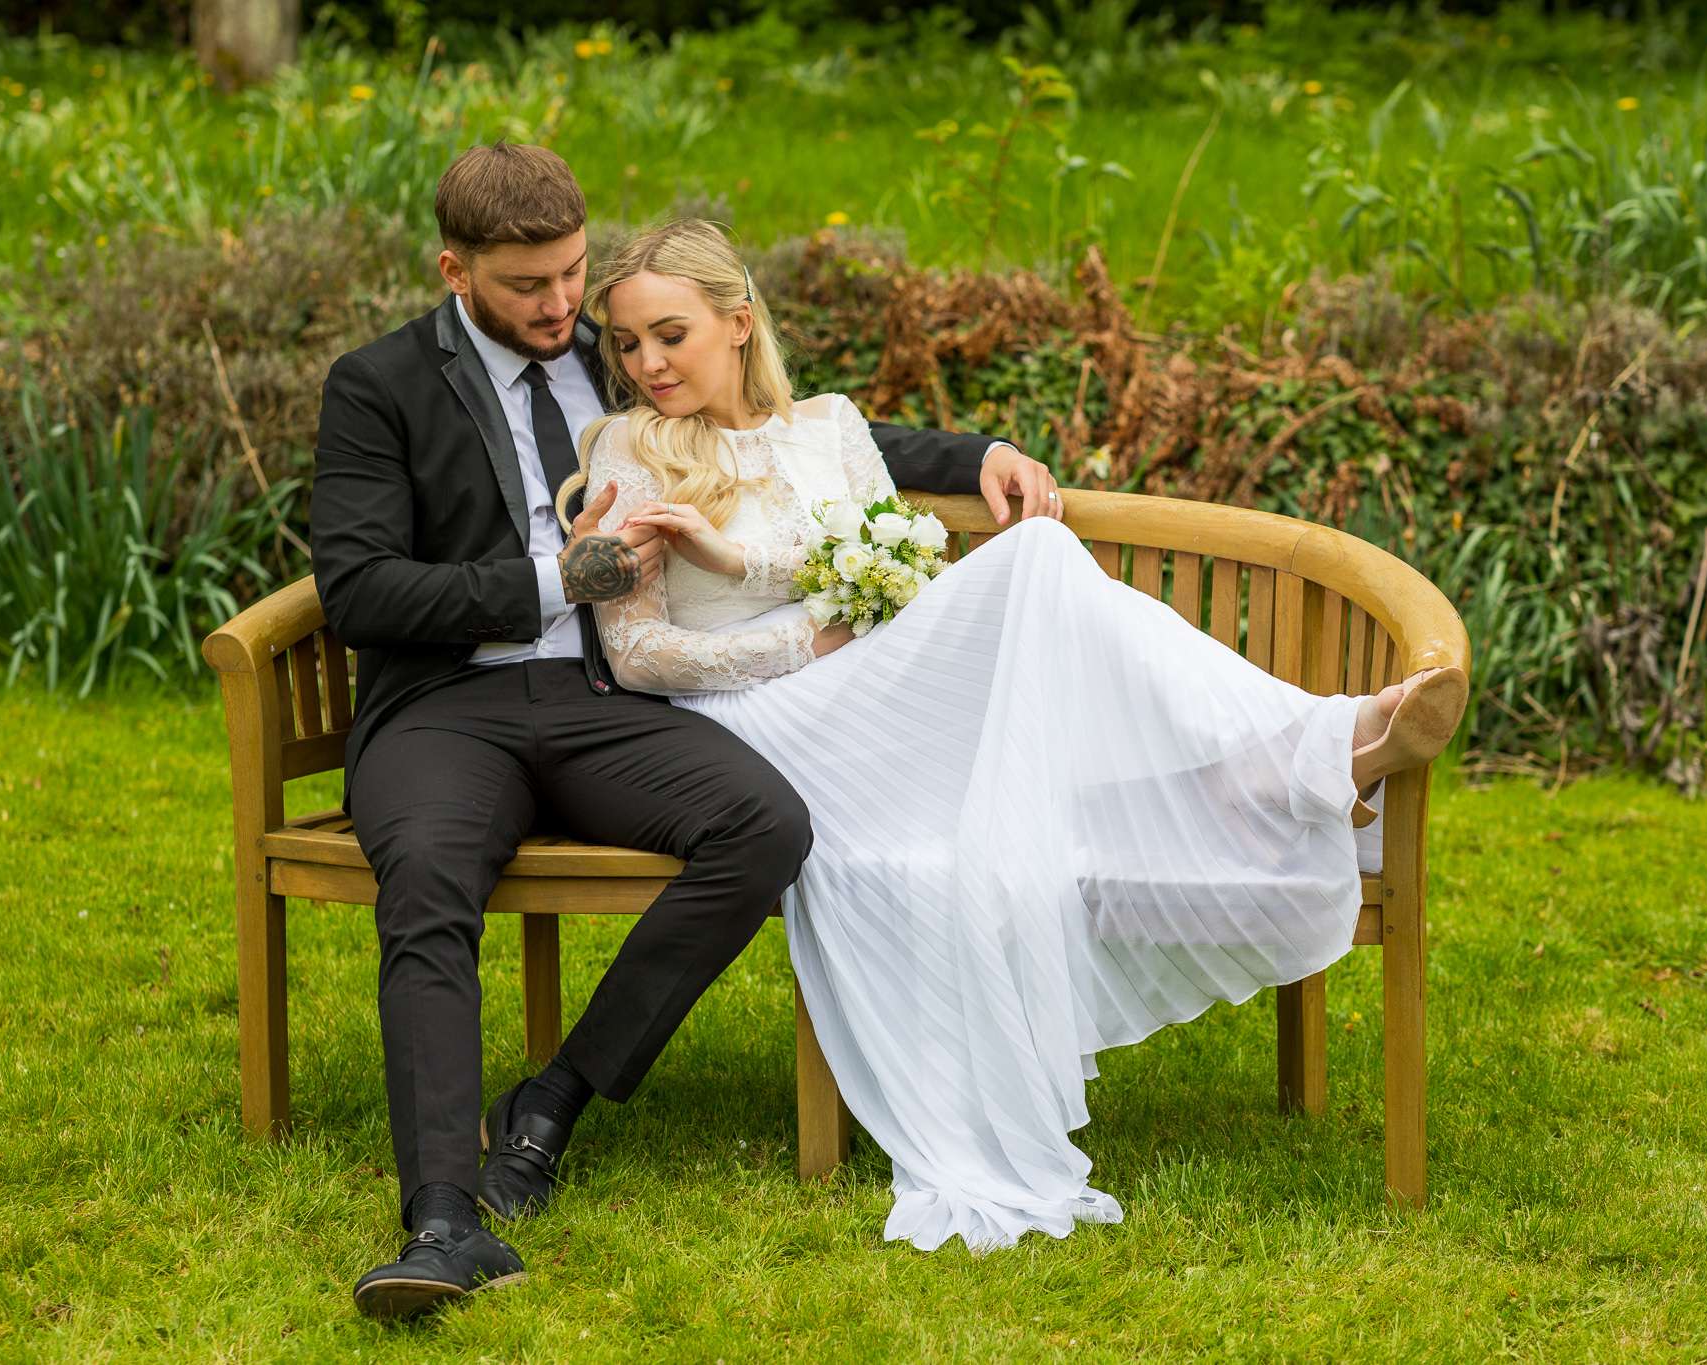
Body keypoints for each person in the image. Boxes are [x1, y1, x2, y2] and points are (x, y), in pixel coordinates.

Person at [561, 219, 1466, 1255]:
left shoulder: (832, 427)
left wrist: (832, 612)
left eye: (668, 335)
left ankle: (1290, 755)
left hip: (872, 690)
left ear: (737, 319)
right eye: (626, 346)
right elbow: (638, 660)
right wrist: (795, 631)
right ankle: (1304, 751)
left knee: (1035, 557)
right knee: (1034, 562)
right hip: (758, 724)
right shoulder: (630, 452)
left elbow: (885, 588)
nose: (647, 365)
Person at [308, 144, 1063, 1320]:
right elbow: (358, 590)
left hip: (607, 704)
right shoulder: (378, 384)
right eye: (526, 288)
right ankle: (445, 1220)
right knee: (428, 879)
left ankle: (555, 1098)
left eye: (571, 279)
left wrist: (976, 456)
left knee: (763, 825)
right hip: (445, 707)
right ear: (454, 269)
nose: (561, 309)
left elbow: (775, 434)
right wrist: (554, 581)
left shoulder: (614, 374)